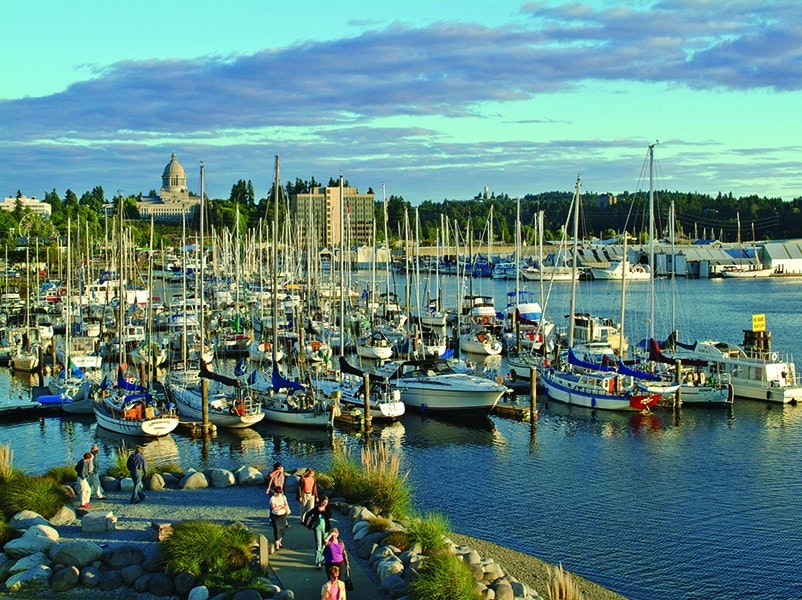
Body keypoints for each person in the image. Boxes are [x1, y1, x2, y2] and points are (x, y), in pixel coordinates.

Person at [304, 495, 332, 568]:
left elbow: (329, 516)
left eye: (326, 503)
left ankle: (322, 558)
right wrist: (305, 523)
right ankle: (318, 561)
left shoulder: (327, 509)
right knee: (318, 545)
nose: (325, 504)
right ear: (321, 501)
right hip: (317, 528)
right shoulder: (316, 509)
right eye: (324, 502)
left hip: (325, 528)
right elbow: (308, 514)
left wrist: (323, 510)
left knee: (324, 544)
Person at [269, 485, 291, 550]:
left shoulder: (283, 497)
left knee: (282, 529)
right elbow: (274, 508)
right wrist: (281, 506)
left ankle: (279, 541)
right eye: (277, 493)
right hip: (275, 516)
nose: (279, 494)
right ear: (275, 492)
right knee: (276, 529)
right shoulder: (272, 498)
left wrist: (280, 507)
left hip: (282, 515)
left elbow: (286, 504)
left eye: (280, 493)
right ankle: (277, 544)